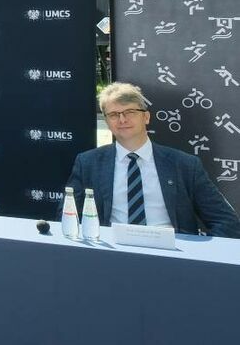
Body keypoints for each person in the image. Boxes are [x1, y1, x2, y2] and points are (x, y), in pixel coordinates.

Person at [65, 82, 240, 237]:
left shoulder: (185, 165)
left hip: (173, 259)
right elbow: (68, 215)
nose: (122, 119)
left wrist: (198, 259)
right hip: (112, 256)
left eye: (130, 112)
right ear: (107, 121)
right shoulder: (88, 163)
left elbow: (225, 222)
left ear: (146, 117)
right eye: (114, 115)